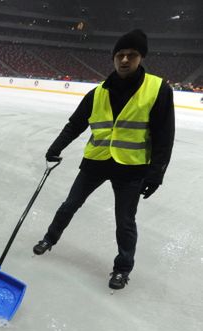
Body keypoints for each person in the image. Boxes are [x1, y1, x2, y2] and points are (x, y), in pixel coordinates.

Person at [32, 29, 175, 290]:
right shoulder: (97, 93)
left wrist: (157, 173)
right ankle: (49, 239)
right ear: (113, 58)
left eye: (131, 55)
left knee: (125, 222)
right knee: (69, 205)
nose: (124, 60)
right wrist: (56, 147)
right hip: (95, 163)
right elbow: (75, 124)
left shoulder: (157, 90)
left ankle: (122, 269)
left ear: (140, 58)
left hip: (131, 167)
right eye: (120, 55)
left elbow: (165, 135)